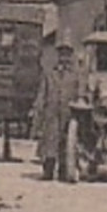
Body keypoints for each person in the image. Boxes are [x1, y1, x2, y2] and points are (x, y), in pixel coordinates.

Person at [31, 41, 83, 183]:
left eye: (67, 56)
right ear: (58, 56)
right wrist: (38, 110)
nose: (64, 59)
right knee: (49, 141)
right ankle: (48, 170)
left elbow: (79, 95)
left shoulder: (75, 76)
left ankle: (63, 171)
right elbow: (42, 93)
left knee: (65, 143)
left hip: (68, 113)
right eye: (62, 55)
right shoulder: (49, 73)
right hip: (51, 112)